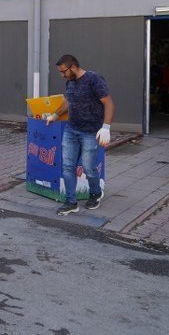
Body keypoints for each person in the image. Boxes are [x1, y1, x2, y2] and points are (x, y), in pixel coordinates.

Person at [45, 54, 114, 216]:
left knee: (89, 168)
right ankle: (71, 202)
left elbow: (109, 103)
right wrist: (55, 115)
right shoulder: (70, 81)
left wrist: (106, 127)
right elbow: (68, 100)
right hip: (71, 130)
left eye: (63, 72)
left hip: (91, 131)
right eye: (60, 72)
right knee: (68, 167)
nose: (62, 75)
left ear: (73, 67)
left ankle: (96, 193)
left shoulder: (94, 79)